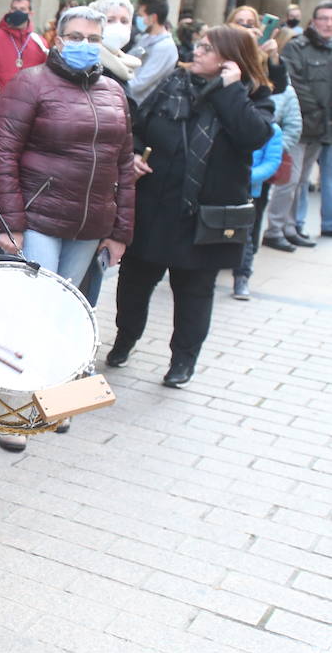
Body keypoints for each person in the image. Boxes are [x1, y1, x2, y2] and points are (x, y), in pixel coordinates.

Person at [0, 6, 135, 450]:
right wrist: (11, 221)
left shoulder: (113, 91)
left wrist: (121, 231)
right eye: (75, 35)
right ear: (57, 37)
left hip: (90, 223)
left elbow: (123, 166)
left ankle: (54, 397)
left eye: (92, 37)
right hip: (40, 218)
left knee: (68, 310)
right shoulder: (29, 83)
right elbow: (2, 154)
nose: (84, 44)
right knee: (36, 308)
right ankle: (14, 403)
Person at [105, 26, 273, 388]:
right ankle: (125, 338)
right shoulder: (174, 83)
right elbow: (138, 126)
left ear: (230, 59)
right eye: (199, 44)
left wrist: (230, 91)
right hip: (156, 205)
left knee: (194, 293)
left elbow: (253, 136)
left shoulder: (252, 95)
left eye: (207, 48)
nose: (197, 51)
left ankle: (183, 361)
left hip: (206, 216)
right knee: (134, 283)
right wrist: (133, 154)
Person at [273, 2, 332, 244]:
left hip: (322, 129)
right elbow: (295, 84)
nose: (329, 24)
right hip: (301, 125)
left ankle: (290, 227)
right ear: (313, 21)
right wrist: (319, 112)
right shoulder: (297, 47)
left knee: (302, 181)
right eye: (324, 19)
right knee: (289, 180)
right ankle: (274, 229)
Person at [233, 100, 287, 298]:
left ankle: (241, 277)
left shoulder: (272, 130)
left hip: (250, 191)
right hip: (225, 187)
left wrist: (245, 176)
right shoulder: (232, 123)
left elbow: (272, 162)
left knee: (245, 236)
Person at [0, 0, 47, 88]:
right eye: (14, 9)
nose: (17, 12)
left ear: (31, 13)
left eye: (22, 9)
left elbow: (46, 76)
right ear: (9, 11)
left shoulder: (40, 43)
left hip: (29, 99)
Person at [89, 0, 142, 84]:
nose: (118, 26)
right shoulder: (90, 66)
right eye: (110, 20)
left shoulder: (126, 64)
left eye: (124, 21)